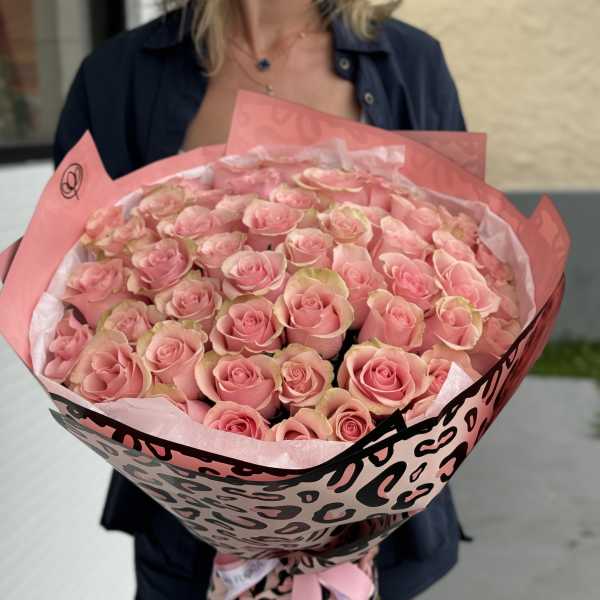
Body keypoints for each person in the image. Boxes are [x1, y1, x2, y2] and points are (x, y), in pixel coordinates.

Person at [54, 1, 467, 598]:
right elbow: (76, 283)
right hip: (185, 542)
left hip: (385, 541)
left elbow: (461, 261)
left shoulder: (412, 63)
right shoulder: (116, 76)